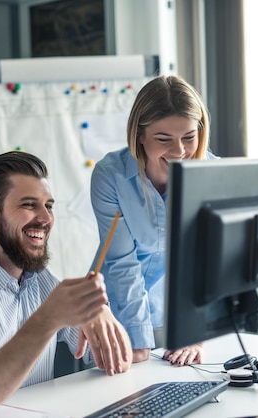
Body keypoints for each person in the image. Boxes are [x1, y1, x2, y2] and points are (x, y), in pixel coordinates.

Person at [0, 151, 133, 415]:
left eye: (49, 206)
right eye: (29, 205)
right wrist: (46, 319)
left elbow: (119, 360)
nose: (45, 218)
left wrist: (101, 309)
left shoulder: (41, 280)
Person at [90, 75, 216, 367]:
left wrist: (196, 334)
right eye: (163, 139)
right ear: (140, 135)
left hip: (178, 318)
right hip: (116, 315)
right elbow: (122, 263)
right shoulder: (111, 176)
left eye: (188, 137)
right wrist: (137, 339)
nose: (180, 151)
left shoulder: (212, 176)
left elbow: (207, 266)